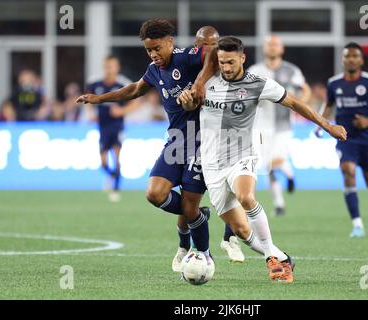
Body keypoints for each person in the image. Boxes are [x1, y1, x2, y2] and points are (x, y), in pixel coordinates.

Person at [177, 36, 346, 282]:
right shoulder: (206, 82)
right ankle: (281, 256)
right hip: (211, 165)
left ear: (242, 58)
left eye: (230, 62)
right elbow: (190, 107)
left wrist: (327, 125)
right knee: (242, 231)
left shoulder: (259, 84)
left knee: (246, 197)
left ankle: (270, 260)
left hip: (241, 155)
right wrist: (187, 102)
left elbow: (295, 103)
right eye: (222, 62)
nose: (225, 67)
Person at [76, 19, 213, 270]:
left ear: (170, 42)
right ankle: (197, 220)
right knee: (155, 194)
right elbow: (134, 90)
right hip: (176, 141)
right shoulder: (154, 69)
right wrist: (100, 99)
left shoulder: (186, 57)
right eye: (149, 50)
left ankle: (203, 253)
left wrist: (200, 82)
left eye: (157, 48)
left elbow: (213, 52)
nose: (154, 54)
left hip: (202, 141)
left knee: (189, 206)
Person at [174, 26, 245, 264]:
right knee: (189, 202)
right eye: (204, 45)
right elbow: (188, 105)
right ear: (196, 46)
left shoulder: (229, 71)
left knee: (240, 193)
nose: (210, 49)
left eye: (214, 44)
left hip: (230, 144)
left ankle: (230, 238)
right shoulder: (185, 69)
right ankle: (185, 246)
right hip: (192, 142)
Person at [318, 42, 368, 238]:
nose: (351, 59)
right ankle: (357, 224)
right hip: (345, 137)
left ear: (361, 60)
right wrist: (321, 124)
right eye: (347, 56)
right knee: (348, 171)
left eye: (354, 56)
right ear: (342, 60)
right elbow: (328, 105)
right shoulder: (334, 83)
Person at [248, 36, 311, 216]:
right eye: (270, 45)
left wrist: (299, 106)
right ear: (264, 48)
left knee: (274, 161)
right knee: (267, 167)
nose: (273, 48)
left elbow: (305, 90)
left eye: (276, 45)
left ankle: (289, 175)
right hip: (261, 125)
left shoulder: (291, 70)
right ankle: (279, 203)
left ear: (281, 49)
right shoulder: (255, 70)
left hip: (283, 125)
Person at [84, 55, 135, 202]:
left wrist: (122, 111)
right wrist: (90, 112)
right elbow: (88, 97)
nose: (109, 69)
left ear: (117, 68)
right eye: (107, 66)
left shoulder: (123, 84)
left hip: (117, 126)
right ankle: (113, 175)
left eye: (112, 66)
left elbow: (137, 101)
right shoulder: (95, 83)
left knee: (117, 156)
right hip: (102, 126)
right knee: (103, 161)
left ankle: (115, 189)